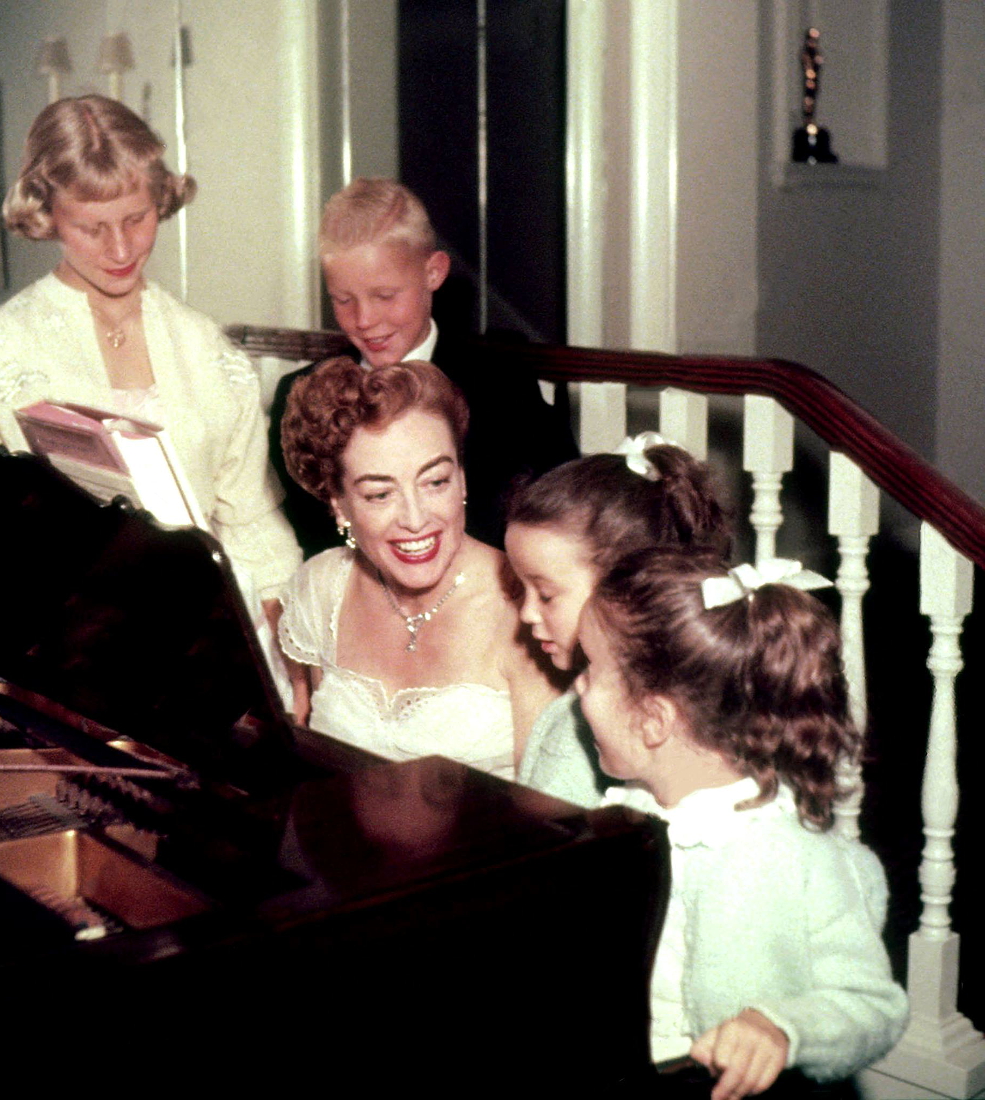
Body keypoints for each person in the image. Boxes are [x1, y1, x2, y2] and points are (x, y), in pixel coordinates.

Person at [575, 547, 908, 1098]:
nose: (578, 689)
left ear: (653, 720)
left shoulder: (796, 853)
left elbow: (872, 1005)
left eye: (590, 668)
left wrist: (782, 1027)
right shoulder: (617, 823)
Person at [0, 95, 300, 611]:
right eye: (92, 228)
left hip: (209, 628)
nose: (121, 251)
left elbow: (253, 524)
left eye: (136, 219)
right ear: (47, 215)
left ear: (161, 200)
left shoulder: (204, 347)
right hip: (53, 639)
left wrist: (276, 639)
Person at [277, 355, 560, 778]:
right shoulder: (321, 590)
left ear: (462, 479)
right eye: (379, 494)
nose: (414, 518)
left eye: (435, 482)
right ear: (338, 504)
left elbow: (553, 811)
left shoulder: (531, 608)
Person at [268, 177, 577, 557]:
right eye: (343, 300)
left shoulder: (503, 387)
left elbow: (559, 514)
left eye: (385, 296)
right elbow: (303, 534)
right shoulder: (299, 395)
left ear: (433, 272)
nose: (363, 320)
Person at [504, 434, 730, 807]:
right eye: (520, 589)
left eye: (545, 595)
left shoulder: (583, 730)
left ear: (625, 589)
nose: (526, 614)